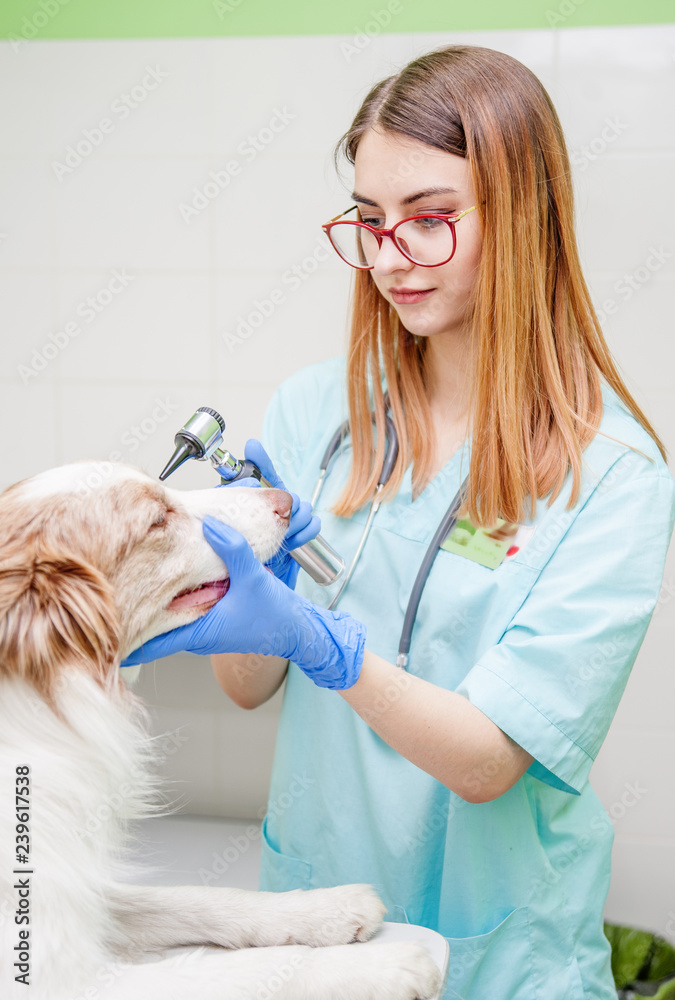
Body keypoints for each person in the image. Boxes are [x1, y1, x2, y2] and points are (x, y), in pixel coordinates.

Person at [125, 45, 675, 999]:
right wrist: (245, 583)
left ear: (523, 217)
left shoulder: (613, 475)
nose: (386, 258)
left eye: (427, 220)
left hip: (502, 960)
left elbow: (488, 762)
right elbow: (247, 688)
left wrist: (323, 645)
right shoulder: (316, 412)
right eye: (371, 221)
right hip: (320, 930)